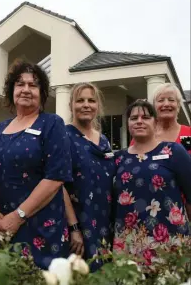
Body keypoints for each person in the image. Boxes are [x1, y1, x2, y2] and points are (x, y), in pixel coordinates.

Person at [0, 61, 72, 269]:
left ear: (42, 92)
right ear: (12, 90)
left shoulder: (52, 124)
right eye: (20, 84)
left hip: (39, 228)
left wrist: (18, 216)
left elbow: (56, 176)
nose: (26, 90)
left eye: (33, 85)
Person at [113, 99, 191, 267]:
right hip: (129, 244)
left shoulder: (173, 151)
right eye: (134, 118)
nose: (139, 121)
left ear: (155, 123)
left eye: (146, 117)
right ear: (127, 124)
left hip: (170, 242)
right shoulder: (118, 159)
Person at [65, 83, 115, 272]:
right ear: (71, 105)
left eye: (91, 100)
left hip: (105, 221)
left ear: (97, 106)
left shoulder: (103, 140)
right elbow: (58, 183)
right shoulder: (64, 136)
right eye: (80, 100)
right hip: (78, 222)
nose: (86, 105)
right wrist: (74, 227)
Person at [130, 83, 191, 154]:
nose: (166, 104)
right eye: (161, 100)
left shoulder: (189, 133)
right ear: (153, 107)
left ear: (178, 106)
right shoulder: (142, 136)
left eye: (171, 100)